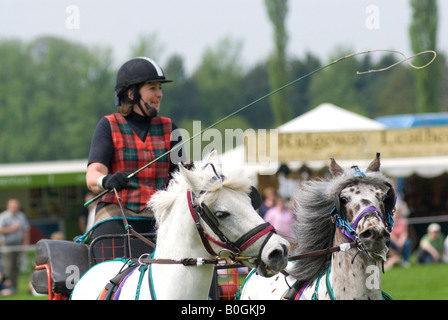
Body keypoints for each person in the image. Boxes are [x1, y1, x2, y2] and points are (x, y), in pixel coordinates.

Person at [86, 57, 185, 223]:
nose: (159, 94)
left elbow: (181, 178)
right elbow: (92, 176)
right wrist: (107, 180)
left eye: (160, 88)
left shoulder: (170, 128)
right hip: (116, 212)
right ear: (131, 94)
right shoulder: (108, 125)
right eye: (152, 88)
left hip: (161, 215)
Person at [0, 199, 30, 294]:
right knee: (8, 266)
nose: (15, 208)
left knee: (16, 266)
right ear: (8, 207)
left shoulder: (21, 216)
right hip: (7, 244)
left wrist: (25, 243)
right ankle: (7, 287)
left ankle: (14, 287)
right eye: (13, 206)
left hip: (18, 244)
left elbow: (26, 230)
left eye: (16, 206)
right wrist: (12, 229)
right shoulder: (3, 216)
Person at [384, 201, 412, 269]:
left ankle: (405, 260)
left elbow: (404, 233)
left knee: (407, 242)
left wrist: (401, 242)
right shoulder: (388, 221)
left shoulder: (403, 221)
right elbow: (390, 233)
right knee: (387, 241)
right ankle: (391, 258)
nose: (395, 213)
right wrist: (396, 241)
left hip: (400, 241)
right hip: (392, 240)